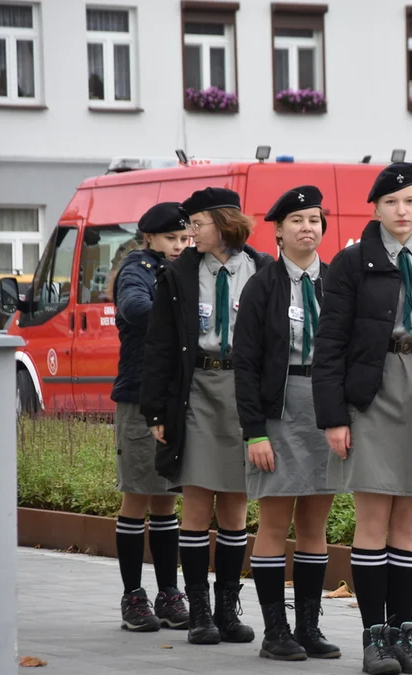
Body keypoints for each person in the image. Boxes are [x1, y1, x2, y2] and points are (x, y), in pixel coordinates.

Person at [312, 162, 412, 675]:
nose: (402, 211)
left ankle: (403, 634)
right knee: (373, 518)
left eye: (411, 201)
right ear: (376, 208)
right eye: (392, 203)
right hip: (371, 388)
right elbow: (331, 343)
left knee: (409, 519)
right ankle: (373, 637)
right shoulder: (351, 262)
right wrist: (334, 417)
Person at [139, 187, 272, 646]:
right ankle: (197, 609)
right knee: (196, 502)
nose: (189, 232)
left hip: (244, 392)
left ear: (224, 222)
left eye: (197, 224)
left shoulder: (261, 270)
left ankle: (226, 608)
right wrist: (155, 409)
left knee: (235, 505)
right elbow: (158, 345)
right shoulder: (179, 275)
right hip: (195, 389)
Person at [234, 186, 344, 662]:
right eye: (297, 220)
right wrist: (254, 431)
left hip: (327, 410)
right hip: (279, 411)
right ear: (277, 231)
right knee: (276, 520)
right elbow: (246, 364)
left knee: (316, 522)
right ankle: (275, 631)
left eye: (315, 220)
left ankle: (309, 627)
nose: (307, 228)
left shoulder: (338, 280)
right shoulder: (263, 284)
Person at [108, 202, 190, 632]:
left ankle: (168, 594)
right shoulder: (137, 268)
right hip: (139, 398)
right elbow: (135, 309)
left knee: (166, 499)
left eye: (184, 239)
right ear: (150, 238)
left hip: (173, 400)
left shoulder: (183, 265)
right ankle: (132, 596)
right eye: (171, 239)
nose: (179, 246)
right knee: (137, 496)